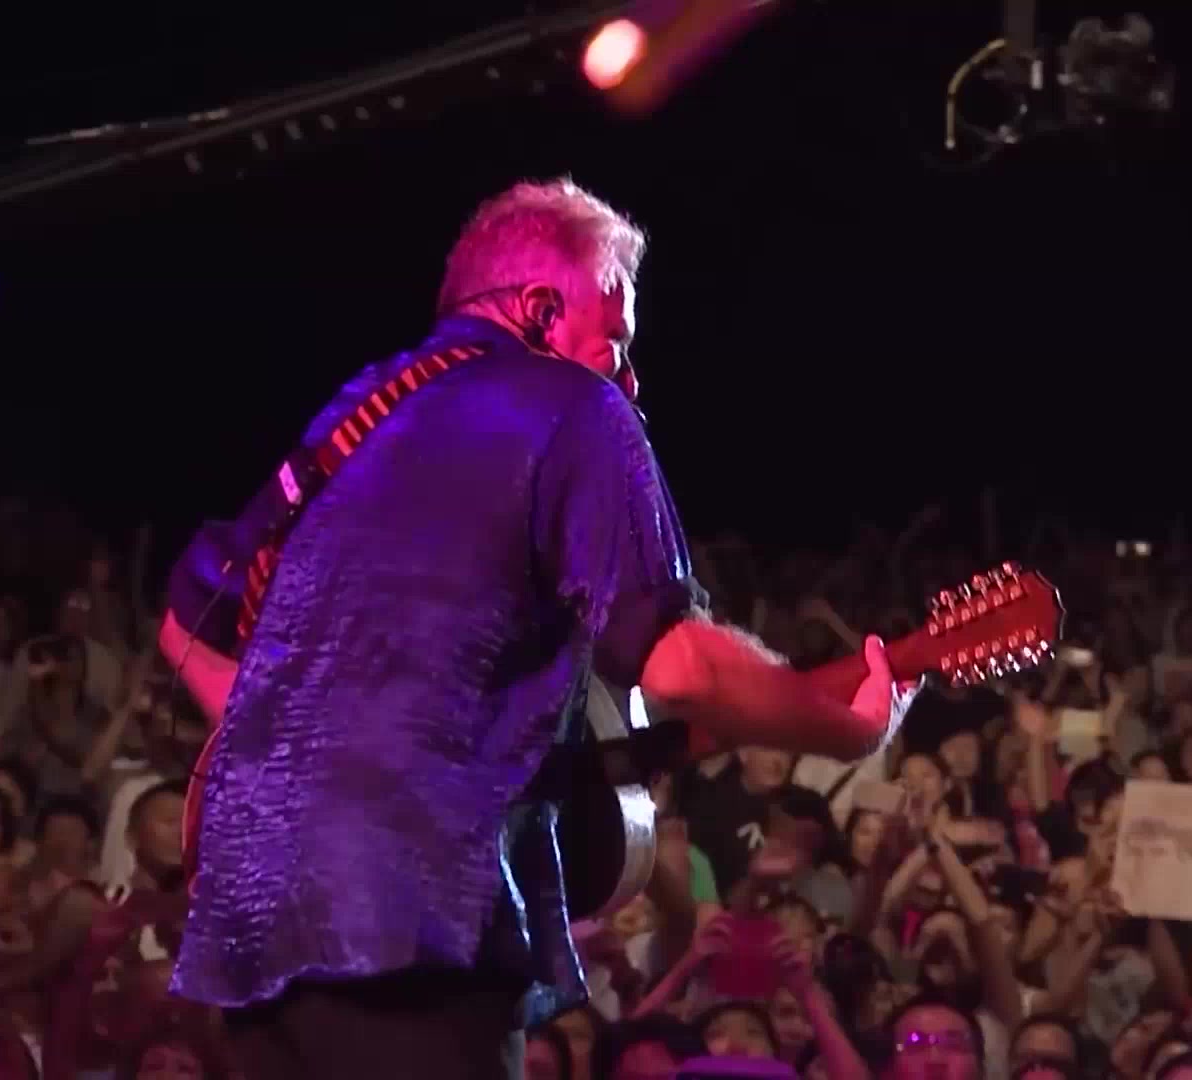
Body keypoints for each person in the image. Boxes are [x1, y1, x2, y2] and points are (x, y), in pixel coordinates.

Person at [157, 178, 912, 1080]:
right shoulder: (570, 404)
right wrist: (847, 728)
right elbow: (679, 669)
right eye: (616, 339)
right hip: (410, 932)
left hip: (250, 931)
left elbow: (184, 625)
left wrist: (297, 759)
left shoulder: (355, 415)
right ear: (544, 311)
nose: (629, 377)